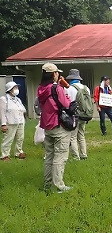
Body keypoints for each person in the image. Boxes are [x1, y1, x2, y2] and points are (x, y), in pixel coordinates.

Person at [37, 63, 72, 193]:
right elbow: (66, 104)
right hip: (59, 125)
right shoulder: (56, 88)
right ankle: (59, 186)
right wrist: (65, 90)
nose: (58, 75)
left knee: (49, 156)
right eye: (57, 73)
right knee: (60, 156)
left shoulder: (41, 88)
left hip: (47, 126)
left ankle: (47, 184)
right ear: (54, 74)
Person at [65, 69, 89, 161]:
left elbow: (67, 102)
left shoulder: (69, 88)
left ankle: (76, 157)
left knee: (73, 137)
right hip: (84, 114)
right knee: (82, 135)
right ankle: (84, 155)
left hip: (74, 115)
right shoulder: (86, 88)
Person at [0, 80, 26, 161]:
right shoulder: (4, 99)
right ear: (10, 89)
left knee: (20, 138)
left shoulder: (17, 99)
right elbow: (2, 112)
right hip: (10, 122)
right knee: (8, 138)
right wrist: (3, 124)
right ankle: (5, 155)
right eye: (15, 87)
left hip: (20, 121)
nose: (17, 89)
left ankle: (18, 152)